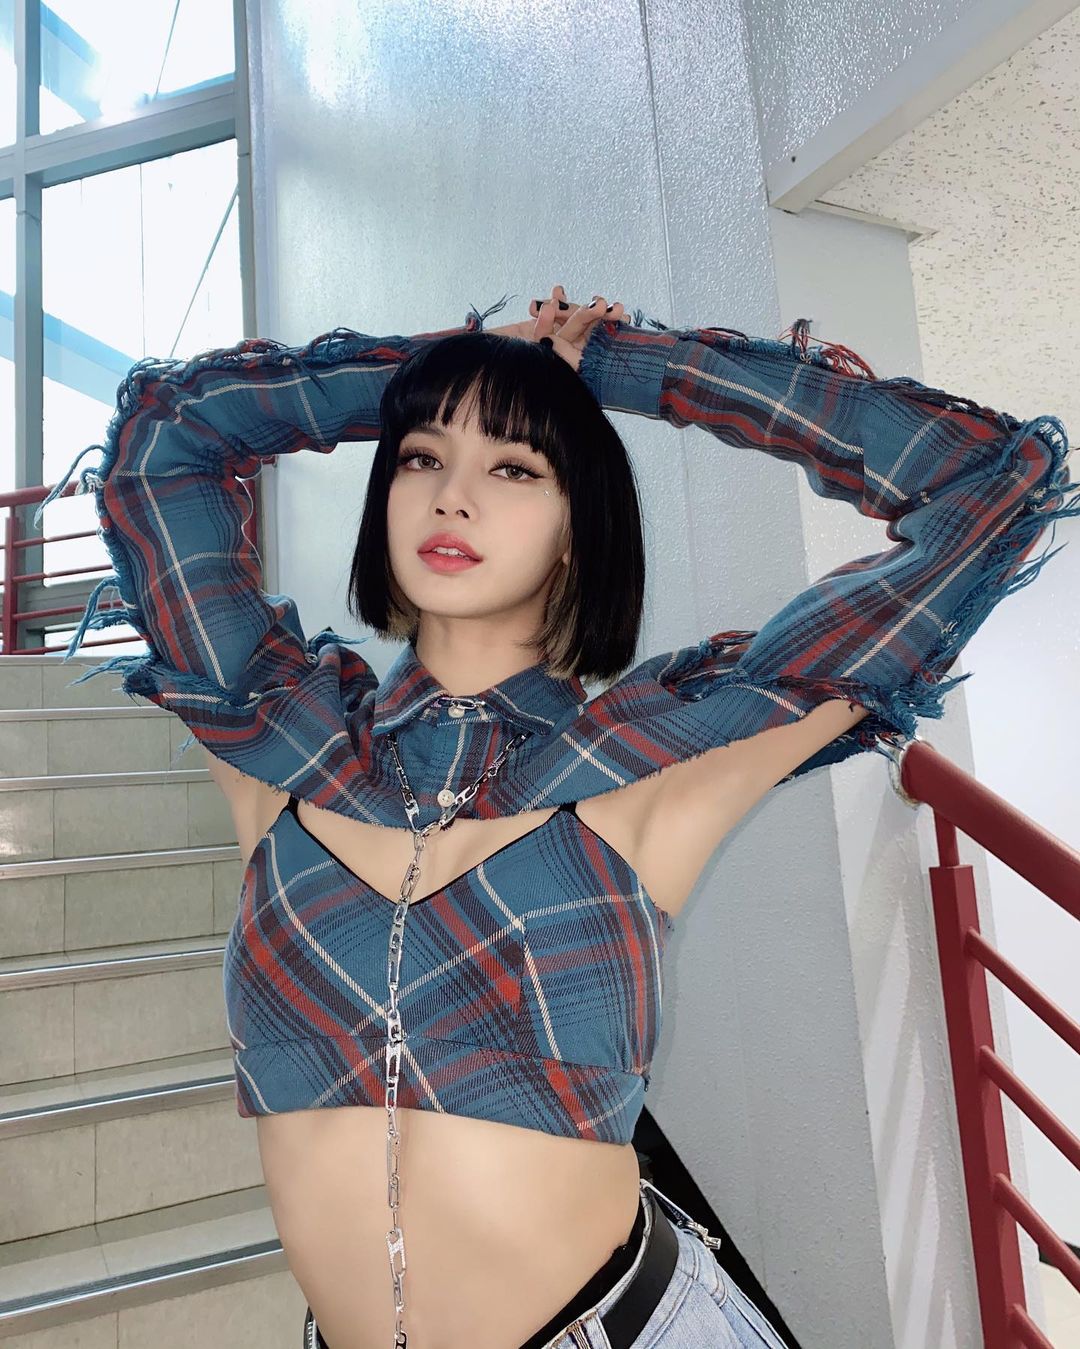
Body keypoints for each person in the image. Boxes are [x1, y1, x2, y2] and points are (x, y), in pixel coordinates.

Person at [38, 285, 1078, 1349]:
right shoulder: (279, 741)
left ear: (580, 528)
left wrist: (621, 370)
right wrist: (458, 366)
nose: (452, 496)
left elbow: (985, 480)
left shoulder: (653, 762)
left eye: (515, 469)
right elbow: (172, 434)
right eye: (421, 457)